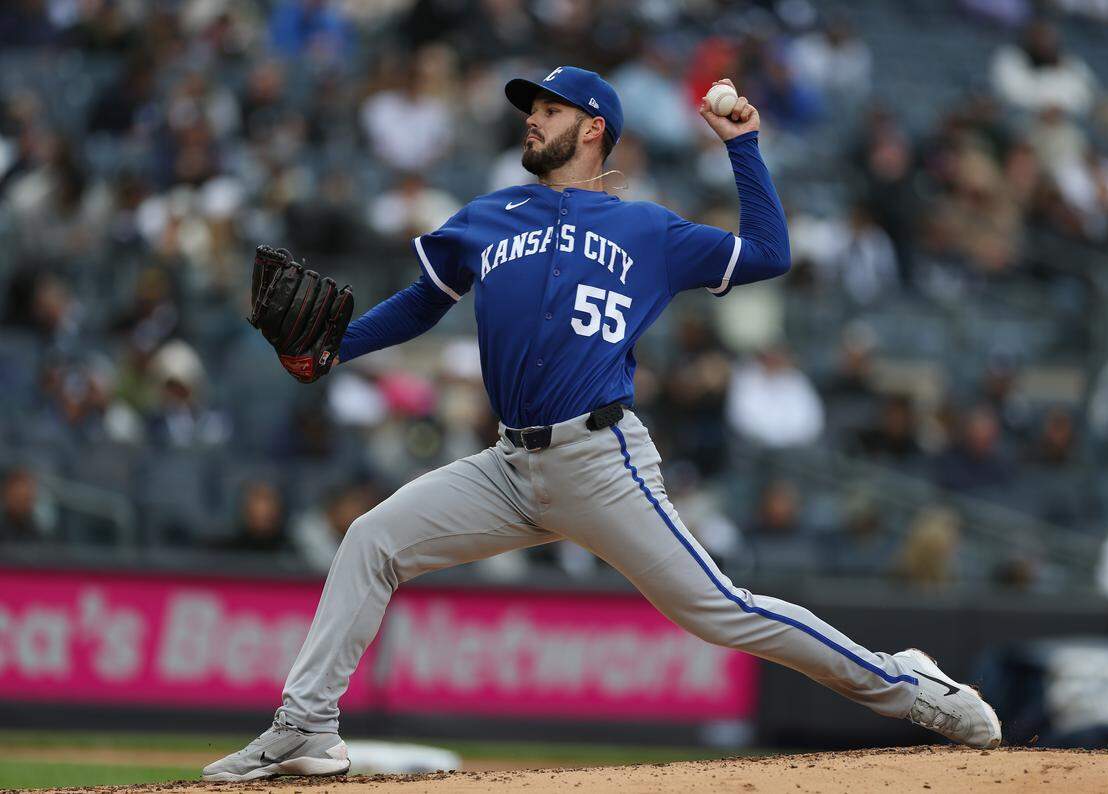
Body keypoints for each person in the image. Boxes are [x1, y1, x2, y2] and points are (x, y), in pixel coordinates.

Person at [204, 66, 1000, 782]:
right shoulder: (489, 216)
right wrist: (338, 348)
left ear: (593, 128)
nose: (530, 120)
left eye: (548, 109)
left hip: (600, 459)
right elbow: (421, 301)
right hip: (507, 467)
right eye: (529, 109)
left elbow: (767, 253)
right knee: (370, 541)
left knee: (721, 610)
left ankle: (911, 687)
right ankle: (307, 725)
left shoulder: (648, 230)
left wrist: (744, 146)